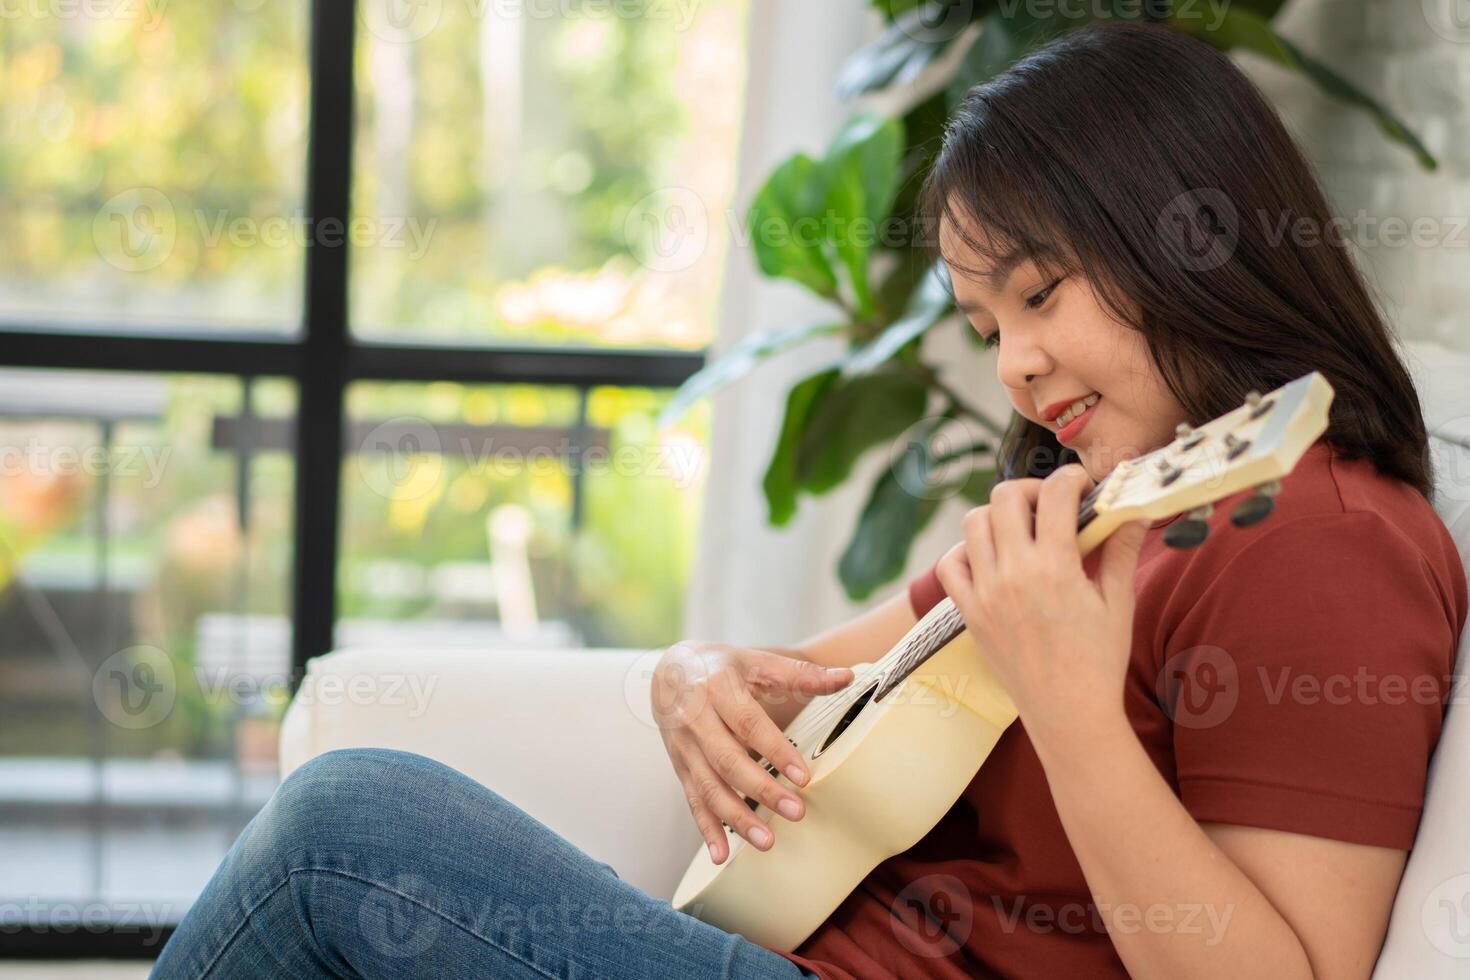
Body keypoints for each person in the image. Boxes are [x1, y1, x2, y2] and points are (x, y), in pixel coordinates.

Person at [152, 20, 1467, 980]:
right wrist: (689, 674)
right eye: (982, 318)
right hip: (792, 944)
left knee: (345, 825)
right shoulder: (1112, 504)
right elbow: (804, 669)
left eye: (1039, 293)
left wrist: (1071, 709)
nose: (1012, 362)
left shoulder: (1320, 543)